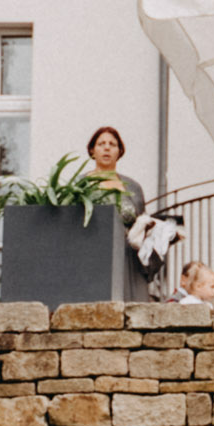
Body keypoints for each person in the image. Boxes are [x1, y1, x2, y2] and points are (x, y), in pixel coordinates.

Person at [86, 125, 175, 301]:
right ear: (92, 151)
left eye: (112, 144)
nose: (106, 148)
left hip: (128, 257)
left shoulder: (133, 187)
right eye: (101, 144)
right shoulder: (81, 184)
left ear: (119, 151)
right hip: (94, 255)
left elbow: (142, 221)